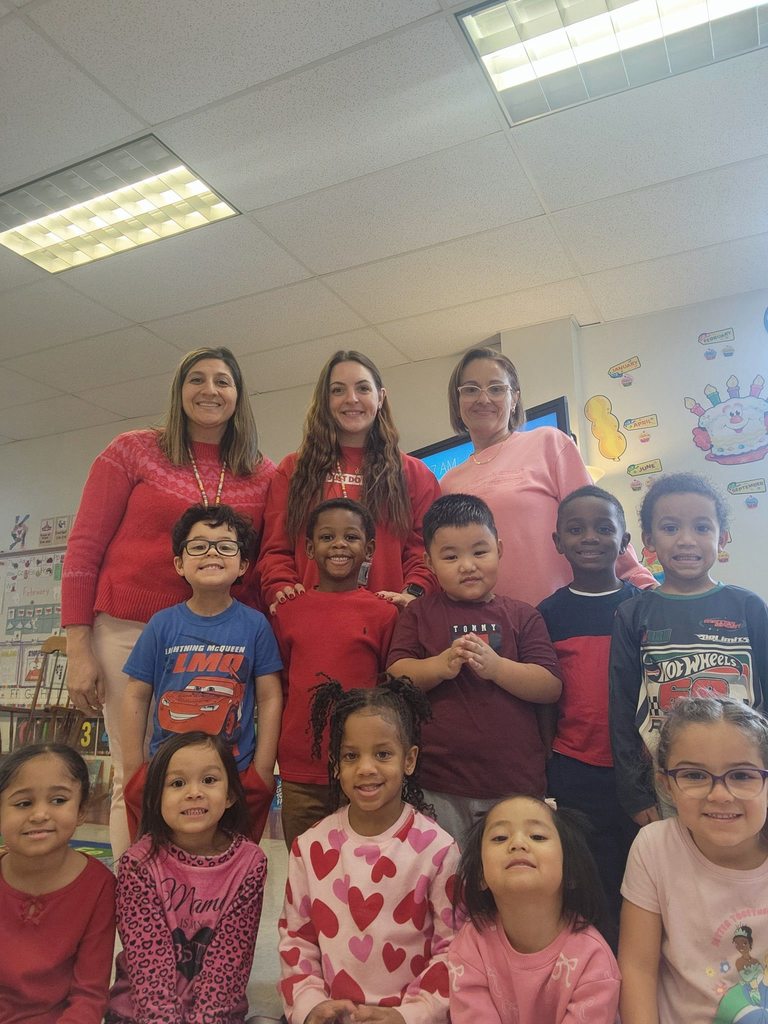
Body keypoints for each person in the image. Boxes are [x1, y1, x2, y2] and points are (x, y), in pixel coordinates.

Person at [62, 345, 275, 858]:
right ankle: (141, 902)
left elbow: (266, 561)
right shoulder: (132, 450)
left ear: (238, 395)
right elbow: (84, 546)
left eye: (222, 380)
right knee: (136, 777)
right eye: (196, 379)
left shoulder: (263, 472)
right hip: (130, 631)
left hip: (223, 640)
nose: (209, 390)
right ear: (178, 392)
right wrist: (78, 645)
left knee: (215, 776)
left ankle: (206, 892)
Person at [278, 677, 459, 1024]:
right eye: (351, 756)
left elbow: (453, 950)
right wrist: (310, 1007)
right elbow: (296, 941)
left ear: (409, 760)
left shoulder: (438, 850)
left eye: (382, 754)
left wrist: (410, 1015)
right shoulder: (309, 847)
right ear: (336, 764)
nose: (366, 768)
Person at [387, 493, 562, 842]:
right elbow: (397, 675)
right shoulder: (419, 613)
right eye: (450, 556)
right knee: (445, 878)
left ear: (499, 548)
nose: (467, 565)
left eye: (479, 552)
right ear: (430, 562)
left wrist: (498, 669)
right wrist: (438, 666)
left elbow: (549, 685)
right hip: (438, 782)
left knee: (503, 880)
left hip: (513, 782)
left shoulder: (523, 614)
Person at [440, 346, 654, 607]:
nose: (483, 399)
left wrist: (645, 587)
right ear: (457, 399)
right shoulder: (448, 483)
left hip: (565, 620)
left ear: (515, 397)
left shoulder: (548, 443)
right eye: (471, 389)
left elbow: (599, 521)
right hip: (490, 631)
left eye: (496, 388)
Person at [609, 472, 768, 825]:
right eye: (669, 528)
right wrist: (633, 793)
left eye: (701, 528)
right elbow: (621, 709)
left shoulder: (749, 607)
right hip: (670, 781)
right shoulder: (633, 614)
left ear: (721, 537)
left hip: (746, 774)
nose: (686, 540)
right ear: (648, 540)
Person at [120, 503, 282, 844]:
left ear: (243, 565)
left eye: (225, 546)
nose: (212, 553)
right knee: (163, 863)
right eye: (198, 546)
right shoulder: (162, 624)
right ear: (179, 563)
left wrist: (264, 770)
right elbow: (136, 693)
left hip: (234, 773)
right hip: (168, 775)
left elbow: (269, 697)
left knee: (233, 862)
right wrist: (133, 769)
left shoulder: (255, 625)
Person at [619, 697, 768, 1023]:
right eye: (694, 775)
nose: (719, 794)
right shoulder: (654, 847)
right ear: (667, 785)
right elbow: (637, 969)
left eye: (742, 775)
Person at [258, 349, 440, 613]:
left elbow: (425, 551)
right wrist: (282, 589)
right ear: (325, 401)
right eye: (338, 390)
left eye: (363, 388)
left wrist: (413, 594)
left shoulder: (414, 473)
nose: (351, 399)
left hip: (391, 623)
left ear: (381, 398)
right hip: (312, 622)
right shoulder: (294, 469)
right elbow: (275, 550)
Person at [538, 485, 641, 946]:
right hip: (576, 772)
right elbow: (544, 701)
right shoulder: (548, 614)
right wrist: (546, 770)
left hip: (641, 773)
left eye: (604, 528)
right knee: (591, 885)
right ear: (557, 541)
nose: (590, 538)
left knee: (643, 881)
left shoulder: (643, 607)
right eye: (576, 529)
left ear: (624, 540)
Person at [106, 732, 267, 1024]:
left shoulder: (249, 862)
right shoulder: (139, 863)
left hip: (217, 1014)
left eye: (209, 780)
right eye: (177, 783)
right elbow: (149, 967)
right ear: (156, 798)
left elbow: (229, 962)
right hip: (140, 1014)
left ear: (230, 794)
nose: (194, 792)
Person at [272, 497, 398, 849]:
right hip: (300, 772)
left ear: (369, 549)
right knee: (305, 868)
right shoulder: (287, 612)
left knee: (363, 866)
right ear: (310, 548)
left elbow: (391, 688)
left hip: (364, 770)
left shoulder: (384, 613)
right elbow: (279, 688)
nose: (339, 544)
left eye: (351, 537)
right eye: (327, 537)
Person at [448, 795, 620, 1024]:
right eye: (500, 837)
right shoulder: (471, 943)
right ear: (480, 875)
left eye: (537, 836)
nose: (518, 843)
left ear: (570, 870)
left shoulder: (593, 958)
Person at [0, 743, 116, 1024]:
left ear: (81, 811)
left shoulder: (99, 886)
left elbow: (89, 995)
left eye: (58, 800)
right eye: (23, 803)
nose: (40, 815)